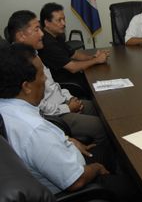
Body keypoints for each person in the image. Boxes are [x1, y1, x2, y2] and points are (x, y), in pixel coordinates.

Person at [0, 44, 139, 201]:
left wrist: (66, 139)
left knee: (109, 152)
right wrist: (97, 168)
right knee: (135, 186)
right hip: (77, 185)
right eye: (41, 75)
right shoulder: (35, 130)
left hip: (64, 160)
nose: (45, 78)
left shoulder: (6, 108)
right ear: (26, 87)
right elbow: (76, 181)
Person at [8, 10, 107, 147]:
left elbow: (53, 85)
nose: (42, 34)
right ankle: (101, 163)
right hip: (55, 116)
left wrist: (69, 97)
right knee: (100, 127)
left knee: (103, 107)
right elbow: (40, 108)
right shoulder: (19, 64)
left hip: (63, 102)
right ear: (21, 35)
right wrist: (67, 107)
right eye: (37, 29)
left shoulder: (34, 54)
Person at [37, 2, 109, 92]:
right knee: (100, 83)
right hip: (63, 82)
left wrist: (93, 57)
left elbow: (74, 54)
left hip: (70, 74)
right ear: (47, 23)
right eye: (59, 20)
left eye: (64, 19)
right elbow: (73, 68)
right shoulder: (47, 43)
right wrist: (96, 60)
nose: (64, 23)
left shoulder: (56, 35)